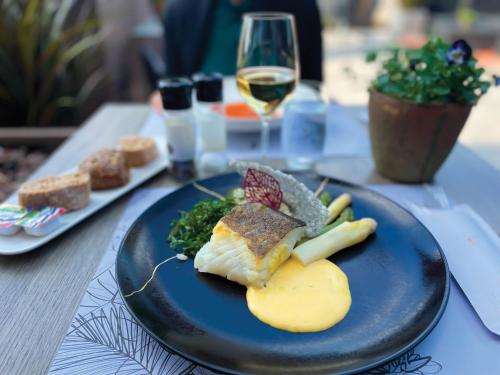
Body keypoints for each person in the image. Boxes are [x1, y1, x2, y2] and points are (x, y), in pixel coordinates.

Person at [163, 0, 323, 81]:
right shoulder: (181, 10)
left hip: (281, 132)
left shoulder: (300, 7)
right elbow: (174, 81)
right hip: (207, 132)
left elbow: (313, 86)